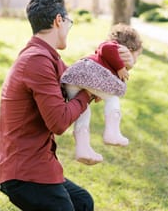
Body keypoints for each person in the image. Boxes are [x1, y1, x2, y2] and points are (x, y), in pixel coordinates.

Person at [0, 0, 133, 211]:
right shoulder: (36, 61)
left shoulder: (48, 58)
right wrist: (88, 93)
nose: (69, 28)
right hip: (26, 173)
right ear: (59, 21)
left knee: (82, 204)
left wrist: (124, 62)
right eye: (69, 22)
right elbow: (59, 122)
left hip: (39, 167)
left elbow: (86, 77)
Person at [61, 24, 143, 165]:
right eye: (137, 55)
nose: (136, 60)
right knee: (113, 98)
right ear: (129, 50)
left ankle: (83, 149)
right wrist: (120, 67)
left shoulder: (108, 61)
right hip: (86, 70)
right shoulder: (117, 48)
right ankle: (112, 133)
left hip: (73, 79)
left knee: (84, 111)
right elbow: (105, 47)